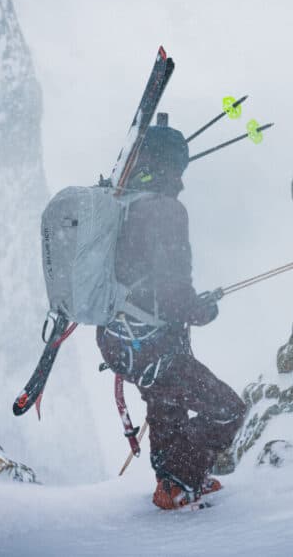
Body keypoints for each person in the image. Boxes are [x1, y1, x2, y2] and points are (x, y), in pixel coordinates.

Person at [96, 121, 246, 509]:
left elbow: (144, 278)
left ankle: (170, 483)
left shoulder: (122, 203)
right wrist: (202, 309)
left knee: (167, 402)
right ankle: (181, 477)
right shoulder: (165, 211)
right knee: (226, 409)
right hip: (151, 342)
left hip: (119, 339)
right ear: (171, 167)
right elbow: (174, 292)